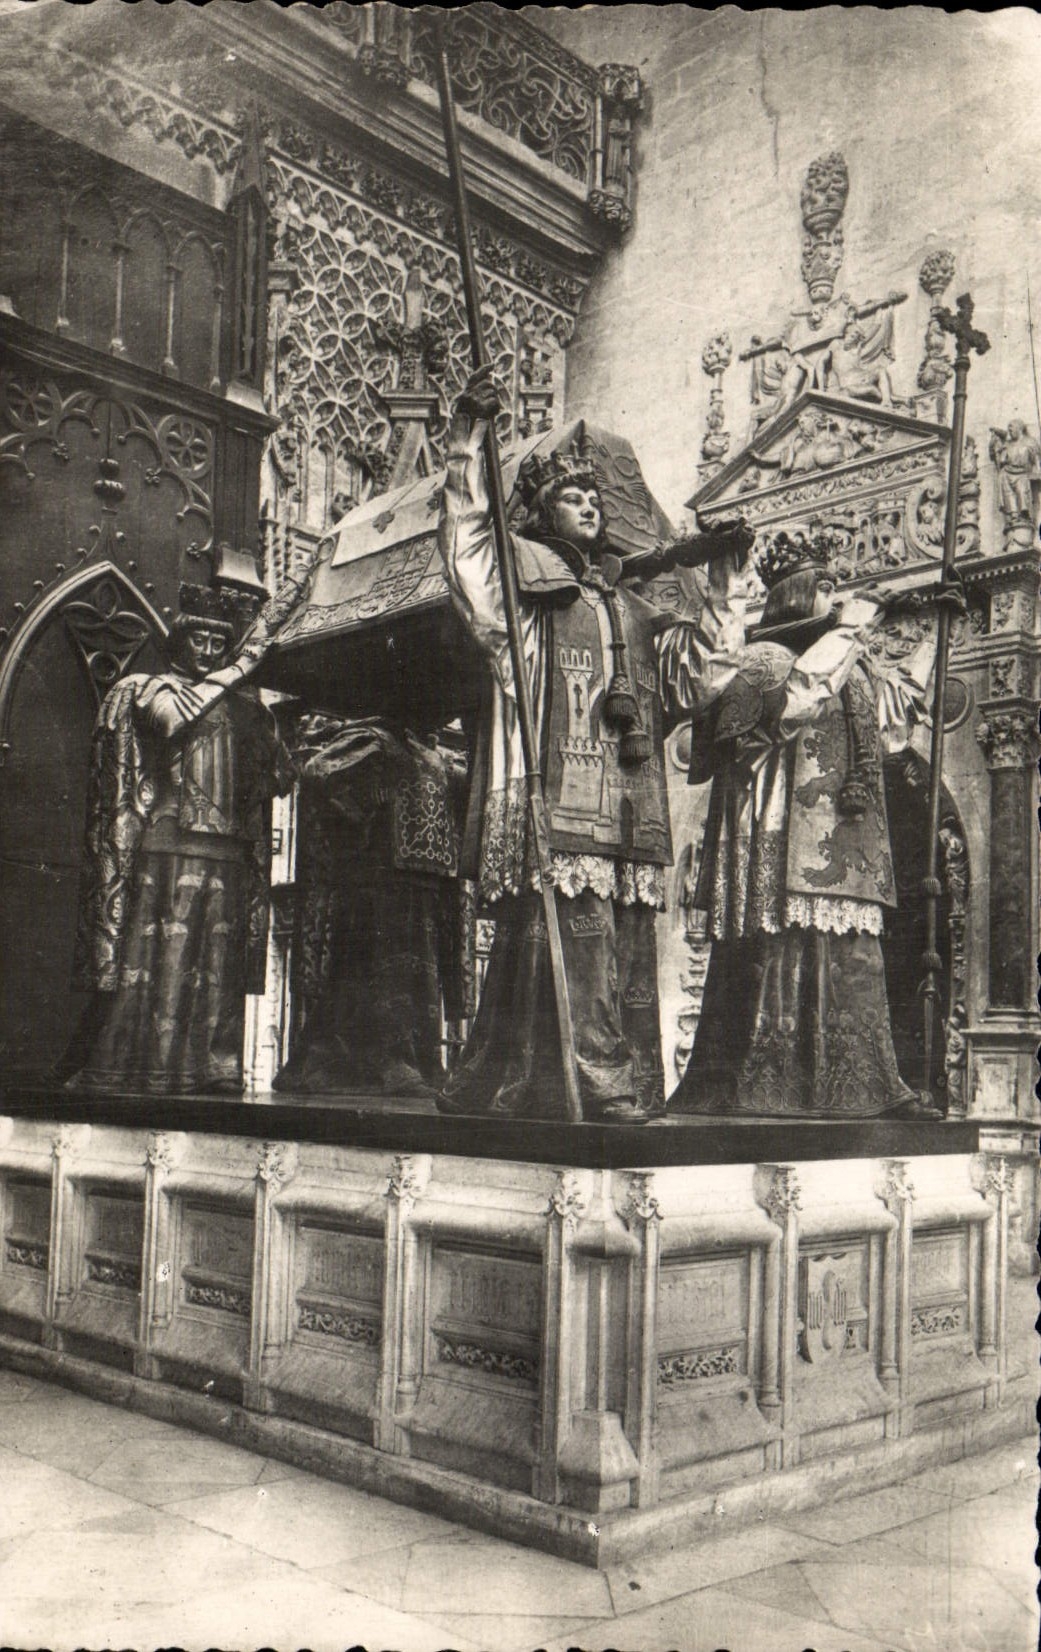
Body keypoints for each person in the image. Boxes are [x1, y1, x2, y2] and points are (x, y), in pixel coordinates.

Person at [436, 369, 746, 1122]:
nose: (590, 504)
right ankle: (590, 1084)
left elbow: (698, 682)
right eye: (574, 497)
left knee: (625, 955)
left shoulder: (635, 609)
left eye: (595, 498)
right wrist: (468, 443)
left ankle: (623, 1078)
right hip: (559, 800)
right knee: (570, 944)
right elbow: (470, 547)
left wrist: (721, 584)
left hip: (628, 809)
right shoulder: (529, 590)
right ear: (543, 511)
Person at [667, 529, 961, 1120]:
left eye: (838, 588)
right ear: (796, 595)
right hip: (778, 836)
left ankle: (867, 1085)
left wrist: (936, 630)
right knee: (782, 955)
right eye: (825, 588)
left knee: (854, 961)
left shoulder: (851, 663)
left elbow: (898, 703)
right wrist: (853, 627)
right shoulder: (762, 658)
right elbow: (797, 702)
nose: (837, 597)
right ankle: (768, 1086)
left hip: (846, 845)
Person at [67, 581, 298, 1095]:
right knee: (159, 959)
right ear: (179, 641)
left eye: (220, 643)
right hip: (168, 843)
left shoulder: (244, 706)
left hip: (229, 849)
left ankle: (208, 1066)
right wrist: (238, 669)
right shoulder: (149, 687)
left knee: (217, 962)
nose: (210, 652)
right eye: (200, 641)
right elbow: (171, 722)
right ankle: (136, 1065)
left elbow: (281, 777)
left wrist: (268, 714)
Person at [274, 714, 468, 1097]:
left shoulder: (434, 755)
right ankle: (388, 1063)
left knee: (420, 976)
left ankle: (420, 1060)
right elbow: (317, 772)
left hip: (426, 880)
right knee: (380, 972)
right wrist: (362, 801)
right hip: (379, 878)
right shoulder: (372, 738)